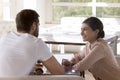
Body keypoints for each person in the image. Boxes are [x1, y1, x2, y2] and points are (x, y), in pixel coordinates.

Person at [0, 9, 64, 77]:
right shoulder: (37, 43)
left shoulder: (5, 37)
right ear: (34, 26)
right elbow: (60, 73)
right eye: (38, 25)